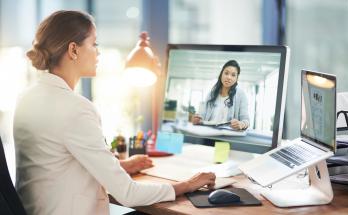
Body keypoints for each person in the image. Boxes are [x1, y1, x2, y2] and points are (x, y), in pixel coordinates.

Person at [13, 10, 215, 215]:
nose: (98, 52)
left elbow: (57, 163)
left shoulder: (27, 98)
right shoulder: (75, 108)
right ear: (73, 50)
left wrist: (121, 166)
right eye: (94, 44)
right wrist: (188, 184)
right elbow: (129, 194)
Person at [192, 60, 249, 130]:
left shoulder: (241, 95)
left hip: (227, 136)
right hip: (208, 133)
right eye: (226, 73)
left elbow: (246, 120)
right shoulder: (211, 94)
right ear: (221, 74)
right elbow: (202, 116)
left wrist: (241, 124)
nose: (229, 77)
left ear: (236, 78)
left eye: (233, 75)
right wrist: (197, 119)